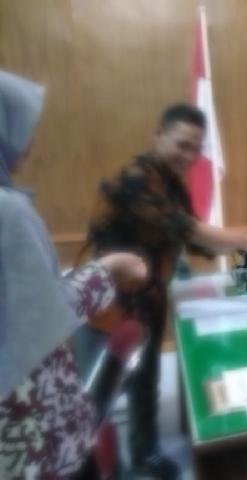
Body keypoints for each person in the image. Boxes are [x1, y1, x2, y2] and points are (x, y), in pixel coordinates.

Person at [78, 103, 247, 478]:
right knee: (97, 394)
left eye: (196, 148)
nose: (189, 156)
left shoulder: (173, 184)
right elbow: (187, 229)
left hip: (148, 301)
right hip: (109, 307)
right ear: (158, 136)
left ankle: (144, 454)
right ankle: (82, 466)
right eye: (182, 145)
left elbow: (196, 243)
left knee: (145, 381)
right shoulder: (138, 179)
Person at [0, 69, 147, 479]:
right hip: (32, 428)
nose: (30, 142)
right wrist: (108, 270)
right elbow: (42, 312)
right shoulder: (8, 212)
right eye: (22, 128)